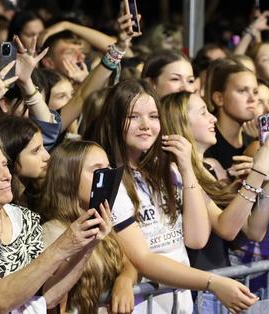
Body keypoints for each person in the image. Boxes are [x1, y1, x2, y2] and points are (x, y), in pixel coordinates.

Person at [95, 79, 258, 313]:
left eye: (153, 116)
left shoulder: (168, 172)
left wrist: (187, 170)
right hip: (142, 305)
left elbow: (197, 238)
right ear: (114, 121)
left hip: (178, 303)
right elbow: (144, 259)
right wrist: (212, 283)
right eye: (133, 117)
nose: (145, 125)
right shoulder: (111, 179)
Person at [0, 130, 108, 312]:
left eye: (5, 165)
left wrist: (89, 243)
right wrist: (62, 246)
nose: (7, 175)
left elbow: (47, 298)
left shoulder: (25, 218)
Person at [161, 91, 269, 311]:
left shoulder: (210, 167)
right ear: (181, 123)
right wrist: (257, 173)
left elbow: (254, 231)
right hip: (199, 289)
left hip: (220, 285)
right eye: (203, 112)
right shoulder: (176, 172)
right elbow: (227, 228)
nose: (213, 118)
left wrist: (267, 182)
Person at [39, 140, 137, 314]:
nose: (107, 177)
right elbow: (50, 295)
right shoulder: (53, 231)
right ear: (69, 178)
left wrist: (125, 279)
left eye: (108, 169)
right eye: (98, 171)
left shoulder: (99, 217)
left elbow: (128, 261)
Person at [204, 61, 259, 180]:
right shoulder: (206, 143)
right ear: (219, 98)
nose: (252, 98)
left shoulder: (252, 142)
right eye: (242, 91)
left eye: (255, 92)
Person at [0, 116, 51, 208]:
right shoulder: (2, 205)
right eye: (36, 151)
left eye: (43, 147)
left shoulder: (36, 195)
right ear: (11, 156)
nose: (47, 156)